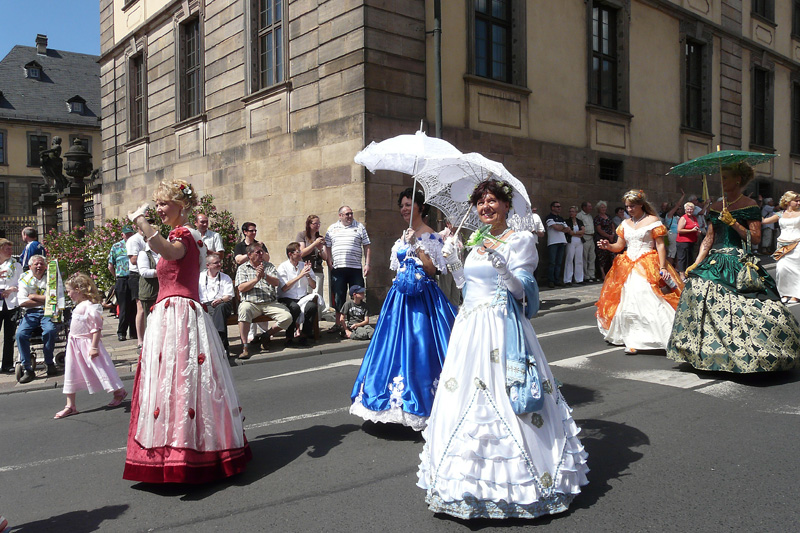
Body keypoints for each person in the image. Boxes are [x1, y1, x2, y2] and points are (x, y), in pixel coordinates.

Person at [418, 180, 589, 519]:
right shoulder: (476, 240)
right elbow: (468, 288)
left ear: (507, 206)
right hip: (470, 328)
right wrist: (453, 261)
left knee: (508, 395)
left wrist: (505, 270)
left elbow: (523, 292)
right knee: (465, 396)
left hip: (501, 326)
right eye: (480, 202)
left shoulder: (520, 240)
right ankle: (466, 487)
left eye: (492, 201)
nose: (485, 207)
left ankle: (528, 486)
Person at [124, 179, 251, 483]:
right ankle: (174, 452)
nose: (159, 209)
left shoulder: (184, 234)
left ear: (181, 206)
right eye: (156, 205)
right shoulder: (180, 234)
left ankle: (188, 454)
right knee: (173, 383)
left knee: (183, 382)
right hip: (169, 314)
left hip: (180, 314)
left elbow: (166, 250)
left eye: (163, 204)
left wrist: (140, 220)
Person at [667, 163, 800, 372]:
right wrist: (696, 262)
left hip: (738, 259)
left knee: (751, 307)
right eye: (722, 178)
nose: (723, 182)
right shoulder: (716, 207)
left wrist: (734, 223)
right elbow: (709, 238)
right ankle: (710, 352)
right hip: (714, 260)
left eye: (726, 177)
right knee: (696, 293)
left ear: (738, 180)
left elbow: (755, 238)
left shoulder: (750, 206)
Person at [350, 188, 457, 430]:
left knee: (420, 347)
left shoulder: (430, 235)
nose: (404, 209)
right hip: (399, 299)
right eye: (402, 205)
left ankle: (422, 401)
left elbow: (432, 270)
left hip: (423, 300)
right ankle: (393, 403)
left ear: (421, 207)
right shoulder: (403, 235)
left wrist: (416, 245)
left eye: (409, 204)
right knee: (392, 348)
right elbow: (397, 266)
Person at [596, 190, 683, 354]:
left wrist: (663, 267)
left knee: (647, 297)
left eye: (632, 206)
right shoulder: (625, 223)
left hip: (647, 263)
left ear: (641, 204)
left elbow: (661, 245)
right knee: (627, 301)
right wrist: (608, 246)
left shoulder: (653, 221)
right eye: (627, 207)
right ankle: (633, 339)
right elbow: (620, 246)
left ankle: (662, 335)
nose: (629, 209)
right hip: (627, 265)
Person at [54, 273, 127, 419]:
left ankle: (118, 391)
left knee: (101, 368)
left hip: (87, 344)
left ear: (78, 290)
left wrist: (94, 347)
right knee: (71, 371)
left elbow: (96, 328)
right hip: (75, 345)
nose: (68, 294)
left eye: (69, 291)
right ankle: (70, 405)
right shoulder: (80, 306)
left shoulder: (90, 307)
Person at [235, 242, 293, 359]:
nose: (261, 254)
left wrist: (265, 276)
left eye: (262, 252)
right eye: (258, 252)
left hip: (269, 303)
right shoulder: (243, 268)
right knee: (243, 310)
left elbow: (276, 283)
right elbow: (241, 287)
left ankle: (266, 335)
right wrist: (256, 279)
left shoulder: (269, 266)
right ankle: (245, 346)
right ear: (250, 255)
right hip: (251, 303)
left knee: (287, 317)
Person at [325, 206, 371, 331]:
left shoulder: (360, 227)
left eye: (351, 214)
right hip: (338, 267)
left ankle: (358, 322)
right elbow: (327, 246)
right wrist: (329, 259)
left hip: (355, 267)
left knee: (359, 294)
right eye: (347, 214)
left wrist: (367, 264)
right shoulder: (332, 229)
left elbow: (367, 246)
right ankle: (339, 323)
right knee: (339, 295)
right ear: (340, 215)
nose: (350, 216)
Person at [14, 255, 58, 383]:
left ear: (45, 266)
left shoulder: (51, 277)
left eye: (41, 264)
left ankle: (49, 362)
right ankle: (27, 369)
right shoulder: (24, 279)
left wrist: (33, 296)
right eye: (36, 264)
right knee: (21, 334)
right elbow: (22, 302)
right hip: (30, 313)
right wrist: (45, 299)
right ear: (30, 266)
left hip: (48, 312)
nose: (39, 266)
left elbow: (55, 297)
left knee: (50, 331)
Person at [277, 242, 318, 347]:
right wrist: (300, 275)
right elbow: (285, 287)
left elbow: (313, 286)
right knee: (294, 308)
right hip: (287, 297)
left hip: (302, 297)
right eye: (298, 252)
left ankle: (304, 335)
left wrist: (308, 275)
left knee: (312, 307)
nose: (301, 254)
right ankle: (289, 336)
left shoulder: (303, 265)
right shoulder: (283, 267)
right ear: (290, 254)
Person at [762, 191, 800, 303]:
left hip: (797, 244)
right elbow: (764, 221)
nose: (799, 202)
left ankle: (796, 295)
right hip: (782, 246)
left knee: (796, 270)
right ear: (788, 201)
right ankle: (784, 293)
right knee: (781, 269)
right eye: (796, 200)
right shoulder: (780, 214)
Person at [199, 252, 234, 353]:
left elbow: (229, 296)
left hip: (223, 304)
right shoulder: (200, 278)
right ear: (208, 265)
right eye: (216, 263)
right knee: (213, 315)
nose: (219, 264)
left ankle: (217, 345)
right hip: (206, 305)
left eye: (219, 262)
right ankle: (222, 347)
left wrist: (220, 300)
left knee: (219, 309)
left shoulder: (225, 277)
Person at [107, 226, 137, 342]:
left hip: (134, 277)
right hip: (122, 278)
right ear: (122, 235)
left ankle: (134, 332)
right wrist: (116, 277)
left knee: (134, 306)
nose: (129, 236)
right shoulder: (116, 247)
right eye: (126, 234)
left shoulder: (135, 245)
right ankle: (121, 332)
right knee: (123, 307)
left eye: (130, 234)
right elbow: (110, 265)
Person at [0, 239, 22, 373]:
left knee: (9, 336)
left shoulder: (16, 265)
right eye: (7, 249)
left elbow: (22, 283)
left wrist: (13, 288)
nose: (10, 251)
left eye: (10, 249)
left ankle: (7, 364)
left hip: (11, 304)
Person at [296, 215, 327, 303]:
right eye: (315, 223)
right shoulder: (302, 235)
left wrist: (320, 248)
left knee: (318, 296)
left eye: (319, 223)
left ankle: (318, 315)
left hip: (317, 269)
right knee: (306, 296)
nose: (317, 225)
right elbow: (301, 253)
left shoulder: (320, 237)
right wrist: (314, 244)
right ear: (309, 224)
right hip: (306, 270)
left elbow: (325, 257)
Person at [127, 226, 146, 350]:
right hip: (137, 275)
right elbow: (133, 260)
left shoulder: (151, 237)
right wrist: (147, 255)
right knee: (141, 308)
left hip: (149, 274)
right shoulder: (135, 240)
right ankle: (140, 340)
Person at [544, 200, 569, 288]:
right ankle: (551, 280)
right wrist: (561, 228)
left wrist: (560, 228)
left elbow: (568, 229)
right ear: (552, 208)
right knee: (552, 262)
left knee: (559, 262)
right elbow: (557, 227)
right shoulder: (549, 217)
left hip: (562, 241)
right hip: (553, 242)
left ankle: (557, 280)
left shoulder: (561, 218)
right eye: (557, 206)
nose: (559, 208)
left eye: (560, 206)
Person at [137, 235, 160, 325]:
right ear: (146, 239)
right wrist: (162, 272)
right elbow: (144, 272)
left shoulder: (161, 251)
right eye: (151, 238)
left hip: (161, 291)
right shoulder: (144, 253)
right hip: (149, 292)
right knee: (151, 322)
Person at [675, 201, 701, 280]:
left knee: (690, 258)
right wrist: (691, 231)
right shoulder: (683, 218)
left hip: (692, 241)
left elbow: (696, 227)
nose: (689, 211)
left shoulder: (694, 218)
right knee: (682, 258)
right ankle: (682, 275)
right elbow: (679, 230)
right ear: (685, 210)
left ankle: (688, 273)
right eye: (688, 209)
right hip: (682, 242)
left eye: (691, 209)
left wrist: (697, 232)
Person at [662, 190, 686, 268]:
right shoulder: (669, 215)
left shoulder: (676, 217)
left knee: (675, 252)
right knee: (671, 252)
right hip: (672, 234)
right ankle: (669, 268)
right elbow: (678, 204)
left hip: (676, 234)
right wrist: (683, 196)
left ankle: (676, 268)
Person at [563, 206, 585, 286]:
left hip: (579, 242)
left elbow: (583, 231)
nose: (571, 213)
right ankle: (567, 279)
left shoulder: (579, 221)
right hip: (571, 241)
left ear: (576, 213)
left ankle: (579, 279)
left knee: (579, 259)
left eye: (573, 211)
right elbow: (570, 232)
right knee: (569, 259)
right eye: (570, 211)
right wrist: (577, 234)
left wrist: (575, 233)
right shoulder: (567, 221)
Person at [594, 201, 615, 279]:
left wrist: (612, 234)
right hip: (602, 239)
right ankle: (603, 274)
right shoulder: (597, 218)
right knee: (602, 257)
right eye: (602, 207)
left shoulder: (608, 216)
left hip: (611, 239)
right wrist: (608, 236)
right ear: (598, 209)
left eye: (604, 207)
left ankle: (613, 273)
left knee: (612, 255)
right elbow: (599, 229)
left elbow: (612, 225)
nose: (604, 209)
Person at [576, 201, 597, 282]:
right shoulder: (580, 215)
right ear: (584, 207)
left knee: (592, 256)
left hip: (591, 237)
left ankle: (591, 274)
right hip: (585, 237)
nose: (591, 208)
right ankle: (585, 275)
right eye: (589, 206)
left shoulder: (590, 216)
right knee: (585, 257)